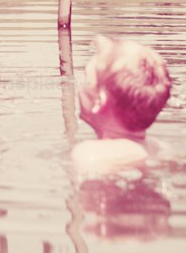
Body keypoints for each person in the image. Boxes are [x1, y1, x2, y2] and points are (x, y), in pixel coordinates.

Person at [71, 35, 172, 178]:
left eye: (85, 79)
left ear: (100, 100)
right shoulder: (160, 149)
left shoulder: (88, 154)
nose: (79, 87)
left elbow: (88, 198)